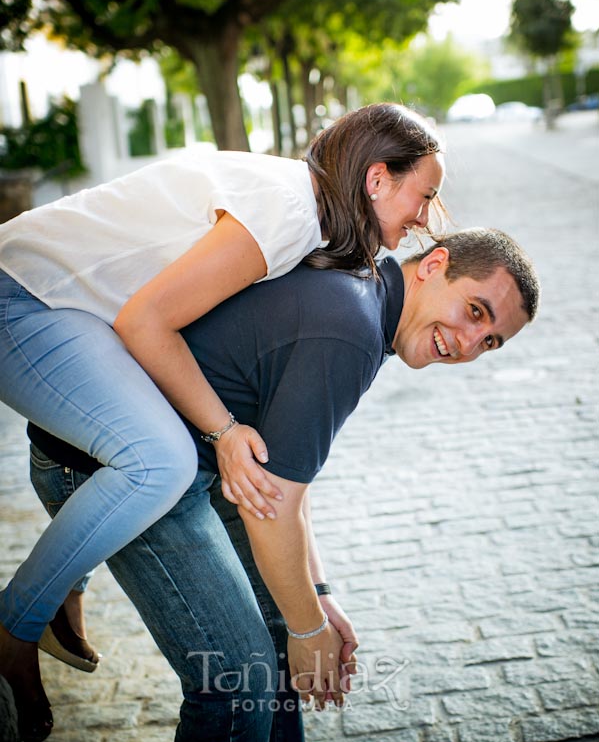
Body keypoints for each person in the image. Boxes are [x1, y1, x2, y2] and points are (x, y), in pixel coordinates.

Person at [0, 102, 446, 741]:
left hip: (73, 313)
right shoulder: (290, 212)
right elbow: (144, 323)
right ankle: (15, 624)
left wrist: (314, 589)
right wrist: (225, 431)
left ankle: (62, 588)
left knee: (158, 459)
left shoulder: (312, 223)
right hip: (23, 297)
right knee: (162, 461)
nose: (423, 219)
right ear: (377, 179)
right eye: (422, 195)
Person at [25, 228, 539, 742]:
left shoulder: (367, 299)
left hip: (202, 462)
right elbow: (273, 508)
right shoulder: (350, 329)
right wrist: (310, 629)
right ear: (433, 265)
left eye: (490, 342)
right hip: (113, 467)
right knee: (234, 679)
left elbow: (286, 473)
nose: (470, 345)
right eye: (475, 311)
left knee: (279, 630)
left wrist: (316, 596)